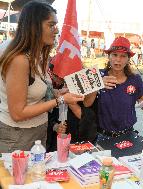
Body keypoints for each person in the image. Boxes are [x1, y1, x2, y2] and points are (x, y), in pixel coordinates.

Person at [0, 1, 84, 153]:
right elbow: (18, 113)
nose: (56, 30)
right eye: (51, 25)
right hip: (17, 136)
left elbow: (34, 91)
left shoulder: (37, 53)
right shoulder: (19, 59)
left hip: (38, 130)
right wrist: (61, 100)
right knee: (18, 177)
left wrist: (57, 93)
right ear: (34, 26)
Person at [84, 37, 143, 141]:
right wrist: (98, 84)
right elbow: (86, 103)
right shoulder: (97, 75)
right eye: (114, 55)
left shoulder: (135, 79)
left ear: (128, 59)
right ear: (109, 56)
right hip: (102, 136)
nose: (118, 59)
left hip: (128, 135)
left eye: (123, 56)